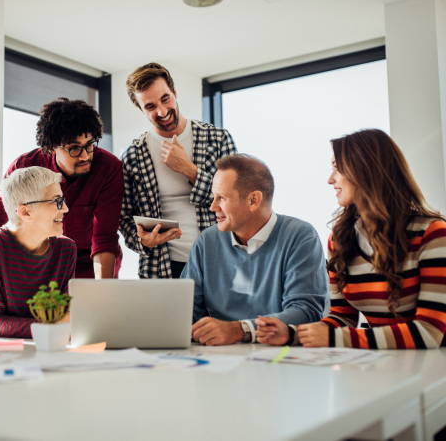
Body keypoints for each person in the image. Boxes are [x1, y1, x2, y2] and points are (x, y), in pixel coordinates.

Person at [256, 129, 446, 349]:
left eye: (337, 168)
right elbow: (343, 318)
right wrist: (292, 334)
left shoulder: (432, 234)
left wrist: (339, 339)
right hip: (386, 363)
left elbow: (430, 332)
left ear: (365, 169)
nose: (330, 179)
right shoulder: (339, 240)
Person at [183, 153, 329, 346]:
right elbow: (185, 309)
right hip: (221, 355)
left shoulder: (300, 236)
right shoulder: (207, 241)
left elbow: (305, 312)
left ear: (253, 200)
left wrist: (240, 330)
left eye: (222, 198)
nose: (212, 206)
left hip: (280, 356)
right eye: (213, 197)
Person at [0, 98, 123, 279]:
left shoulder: (109, 168)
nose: (85, 156)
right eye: (74, 148)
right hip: (43, 262)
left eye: (89, 145)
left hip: (90, 264)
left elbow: (104, 238)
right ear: (53, 147)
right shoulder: (24, 166)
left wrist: (103, 291)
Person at [120, 63, 237, 279]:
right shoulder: (133, 156)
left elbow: (234, 199)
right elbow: (124, 216)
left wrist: (189, 170)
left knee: (218, 316)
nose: (162, 112)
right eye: (150, 106)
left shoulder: (218, 139)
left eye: (165, 99)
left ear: (174, 92)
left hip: (217, 263)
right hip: (160, 268)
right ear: (141, 110)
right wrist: (142, 241)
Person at [0, 167, 76, 338]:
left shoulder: (65, 250)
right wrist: (52, 328)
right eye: (56, 201)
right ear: (25, 212)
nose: (65, 208)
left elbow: (65, 315)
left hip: (39, 347)